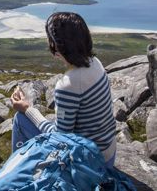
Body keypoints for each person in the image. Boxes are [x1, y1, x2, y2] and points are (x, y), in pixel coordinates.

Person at [10, 12, 116, 168]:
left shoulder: (68, 85)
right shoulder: (95, 62)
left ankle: (16, 171)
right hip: (108, 152)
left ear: (56, 45)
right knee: (45, 119)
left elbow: (60, 136)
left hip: (90, 163)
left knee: (21, 119)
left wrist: (27, 108)